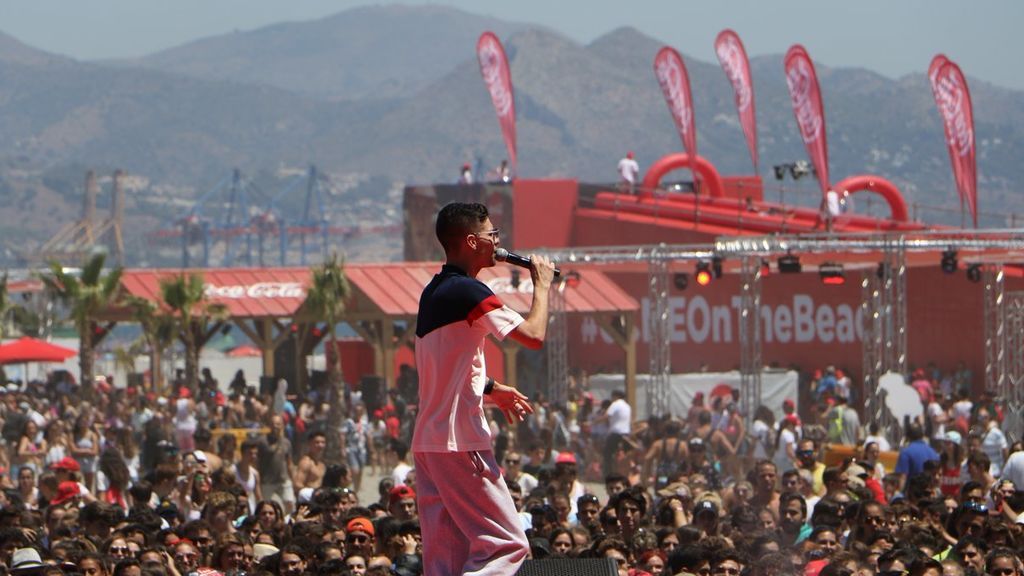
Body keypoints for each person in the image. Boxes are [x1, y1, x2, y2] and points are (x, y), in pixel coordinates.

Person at [411, 201, 555, 575]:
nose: (498, 243)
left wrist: (490, 388)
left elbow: (443, 368)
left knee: (448, 556)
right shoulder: (468, 292)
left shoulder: (435, 291)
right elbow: (534, 336)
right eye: (493, 235)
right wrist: (542, 286)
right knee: (506, 544)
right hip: (459, 442)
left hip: (430, 443)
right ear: (473, 242)